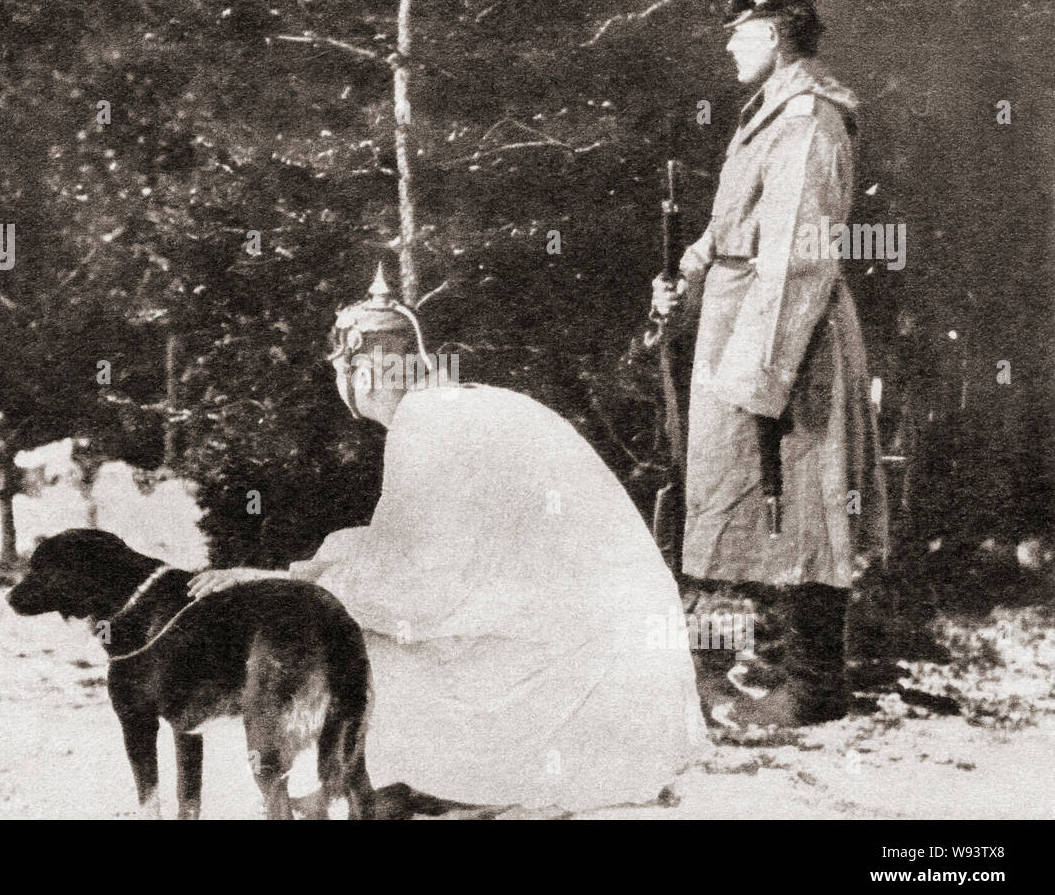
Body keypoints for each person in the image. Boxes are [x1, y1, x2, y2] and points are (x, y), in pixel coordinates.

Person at [192, 265, 707, 815]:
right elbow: (425, 552)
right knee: (372, 615)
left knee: (361, 644)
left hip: (586, 677)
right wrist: (312, 570)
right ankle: (395, 783)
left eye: (344, 370)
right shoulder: (462, 405)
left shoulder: (426, 424)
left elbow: (418, 589)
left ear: (364, 371)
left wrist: (286, 585)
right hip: (617, 668)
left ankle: (421, 788)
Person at [651, 0, 888, 727]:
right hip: (743, 330)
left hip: (791, 344)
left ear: (778, 31)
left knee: (809, 511)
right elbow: (733, 228)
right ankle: (713, 679)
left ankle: (813, 689)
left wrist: (757, 373)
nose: (727, 41)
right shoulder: (770, 115)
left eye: (739, 29)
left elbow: (797, 254)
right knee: (725, 510)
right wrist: (683, 279)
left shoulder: (809, 120)